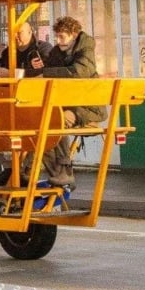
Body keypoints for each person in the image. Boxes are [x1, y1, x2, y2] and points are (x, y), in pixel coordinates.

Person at [39, 15, 102, 188]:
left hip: (88, 107)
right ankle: (58, 174)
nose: (58, 41)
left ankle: (64, 170)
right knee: (38, 126)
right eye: (57, 36)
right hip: (69, 104)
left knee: (56, 121)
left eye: (62, 37)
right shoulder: (57, 52)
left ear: (74, 35)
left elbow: (79, 72)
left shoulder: (86, 48)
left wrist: (46, 74)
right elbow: (46, 70)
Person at [0, 21, 49, 183]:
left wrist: (12, 73)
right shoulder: (8, 52)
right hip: (11, 104)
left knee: (35, 134)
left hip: (36, 104)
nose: (16, 37)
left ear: (30, 32)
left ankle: (25, 169)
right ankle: (11, 168)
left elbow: (45, 74)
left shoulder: (42, 50)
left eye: (19, 33)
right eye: (13, 33)